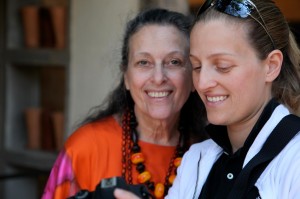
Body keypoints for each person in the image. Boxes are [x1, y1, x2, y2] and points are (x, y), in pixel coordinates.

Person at [114, 0, 300, 199]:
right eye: (196, 67)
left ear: (271, 66)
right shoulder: (196, 159)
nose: (202, 83)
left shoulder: (294, 159)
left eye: (222, 66)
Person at [42, 8, 207, 199]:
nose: (159, 77)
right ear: (126, 76)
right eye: (144, 62)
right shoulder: (84, 149)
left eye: (174, 62)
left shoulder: (209, 153)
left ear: (193, 74)